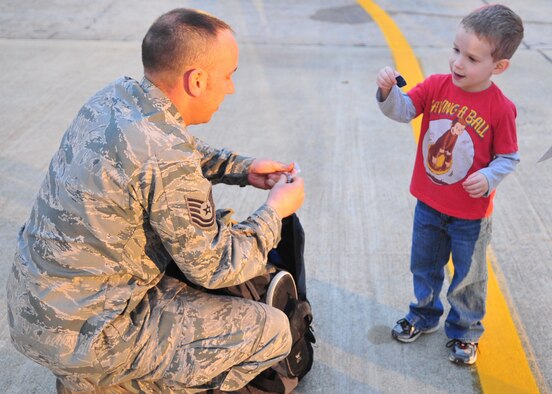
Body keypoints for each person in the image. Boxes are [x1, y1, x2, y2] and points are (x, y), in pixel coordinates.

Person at [6, 8, 306, 392]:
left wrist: (241, 168)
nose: (230, 88)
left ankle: (95, 375)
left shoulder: (115, 97)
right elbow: (216, 266)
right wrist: (275, 211)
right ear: (197, 80)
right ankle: (107, 384)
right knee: (272, 332)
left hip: (36, 311)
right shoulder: (166, 157)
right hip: (90, 334)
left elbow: (170, 146)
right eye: (229, 75)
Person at [375, 4, 523, 365]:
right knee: (423, 265)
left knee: (468, 277)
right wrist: (386, 93)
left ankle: (465, 331)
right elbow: (404, 111)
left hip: (470, 216)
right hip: (429, 203)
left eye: (472, 58)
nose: (458, 63)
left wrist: (488, 177)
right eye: (456, 51)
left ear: (498, 66)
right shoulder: (438, 86)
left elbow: (509, 158)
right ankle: (423, 315)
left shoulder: (500, 109)